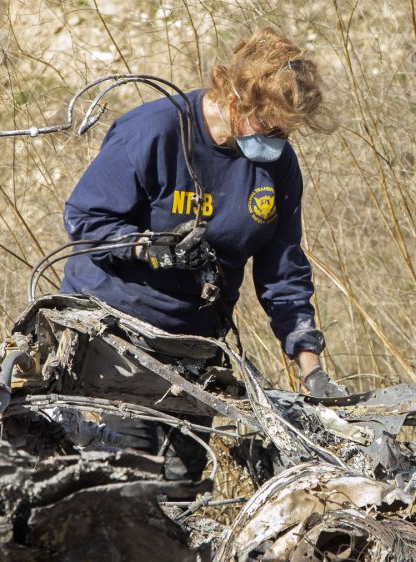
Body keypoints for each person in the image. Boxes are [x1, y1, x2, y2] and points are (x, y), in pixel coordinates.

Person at [59, 27, 346, 400]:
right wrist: (149, 247)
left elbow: (283, 269)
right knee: (128, 454)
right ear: (234, 99)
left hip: (195, 346)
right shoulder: (153, 132)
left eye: (284, 133)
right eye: (267, 127)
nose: (275, 142)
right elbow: (83, 220)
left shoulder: (277, 165)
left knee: (185, 458)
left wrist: (312, 370)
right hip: (111, 334)